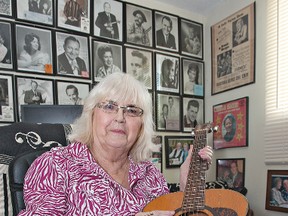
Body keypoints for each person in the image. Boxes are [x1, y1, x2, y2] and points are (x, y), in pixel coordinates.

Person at [18, 72, 213, 215]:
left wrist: (185, 188)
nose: (120, 117)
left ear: (141, 125)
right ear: (92, 114)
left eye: (131, 110)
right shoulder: (54, 165)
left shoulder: (149, 172)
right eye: (110, 106)